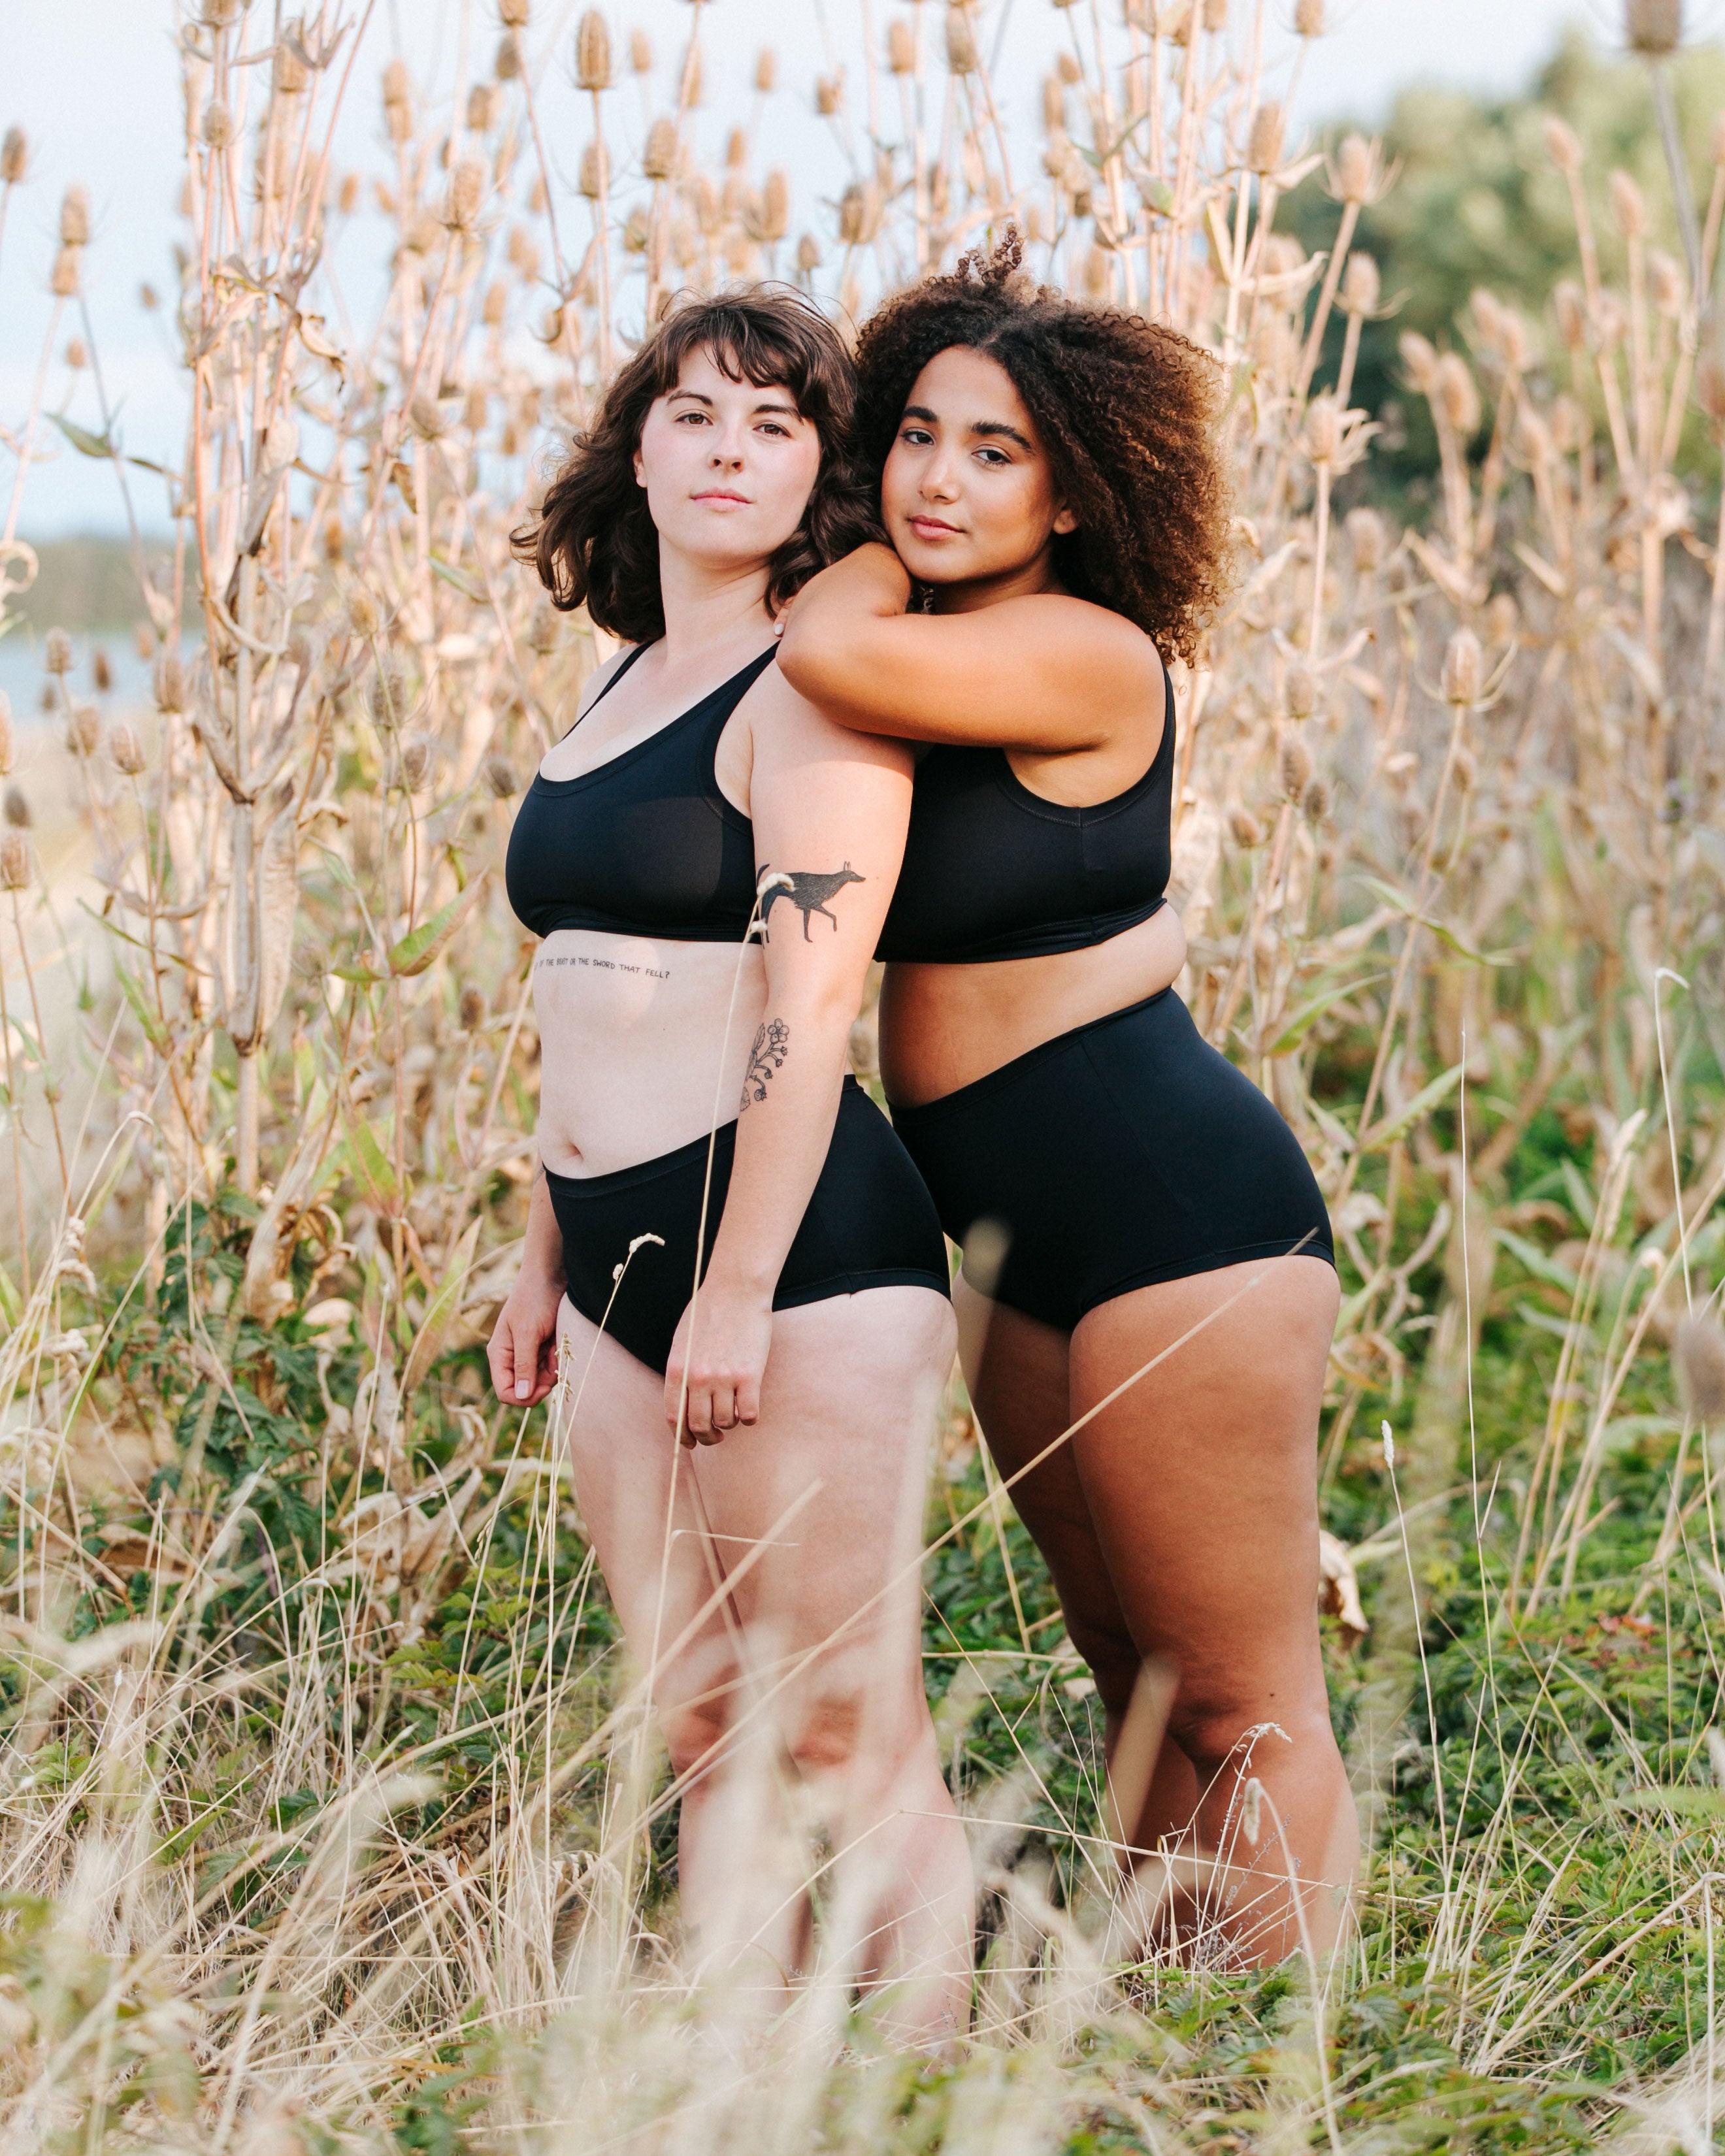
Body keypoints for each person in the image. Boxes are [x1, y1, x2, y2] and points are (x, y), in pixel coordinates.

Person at [778, 240, 1356, 1966]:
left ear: (1077, 497)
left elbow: (815, 642)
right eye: (918, 435)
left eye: (994, 450)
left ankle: (1290, 2073)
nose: (939, 479)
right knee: (1137, 1674)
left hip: (1181, 1218)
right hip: (1016, 1235)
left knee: (1247, 1700)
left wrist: (863, 538)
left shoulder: (1080, 651)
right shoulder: (938, 643)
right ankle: (1158, 2022)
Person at [488, 290, 971, 2041]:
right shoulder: (622, 680)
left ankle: (919, 2097)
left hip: (796, 1261)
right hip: (613, 1262)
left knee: (845, 1729)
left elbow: (804, 999)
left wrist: (740, 1285)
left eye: (775, 426)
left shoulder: (815, 686)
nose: (729, 450)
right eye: (696, 414)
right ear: (643, 446)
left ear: (817, 476)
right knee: (697, 1720)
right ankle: (728, 2091)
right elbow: (584, 1001)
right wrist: (543, 1243)